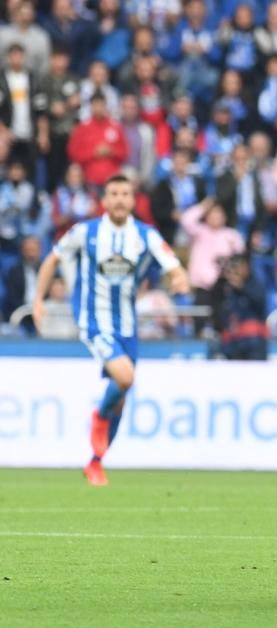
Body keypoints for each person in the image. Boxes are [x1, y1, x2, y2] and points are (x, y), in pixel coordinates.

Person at [31, 174, 190, 486]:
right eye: (113, 193)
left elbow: (172, 263)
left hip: (127, 326)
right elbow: (52, 260)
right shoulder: (86, 232)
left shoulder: (145, 235)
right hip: (94, 321)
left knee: (121, 395)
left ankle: (96, 461)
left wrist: (179, 277)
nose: (119, 199)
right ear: (104, 200)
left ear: (133, 200)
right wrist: (38, 299)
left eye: (125, 194)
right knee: (125, 377)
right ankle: (99, 418)